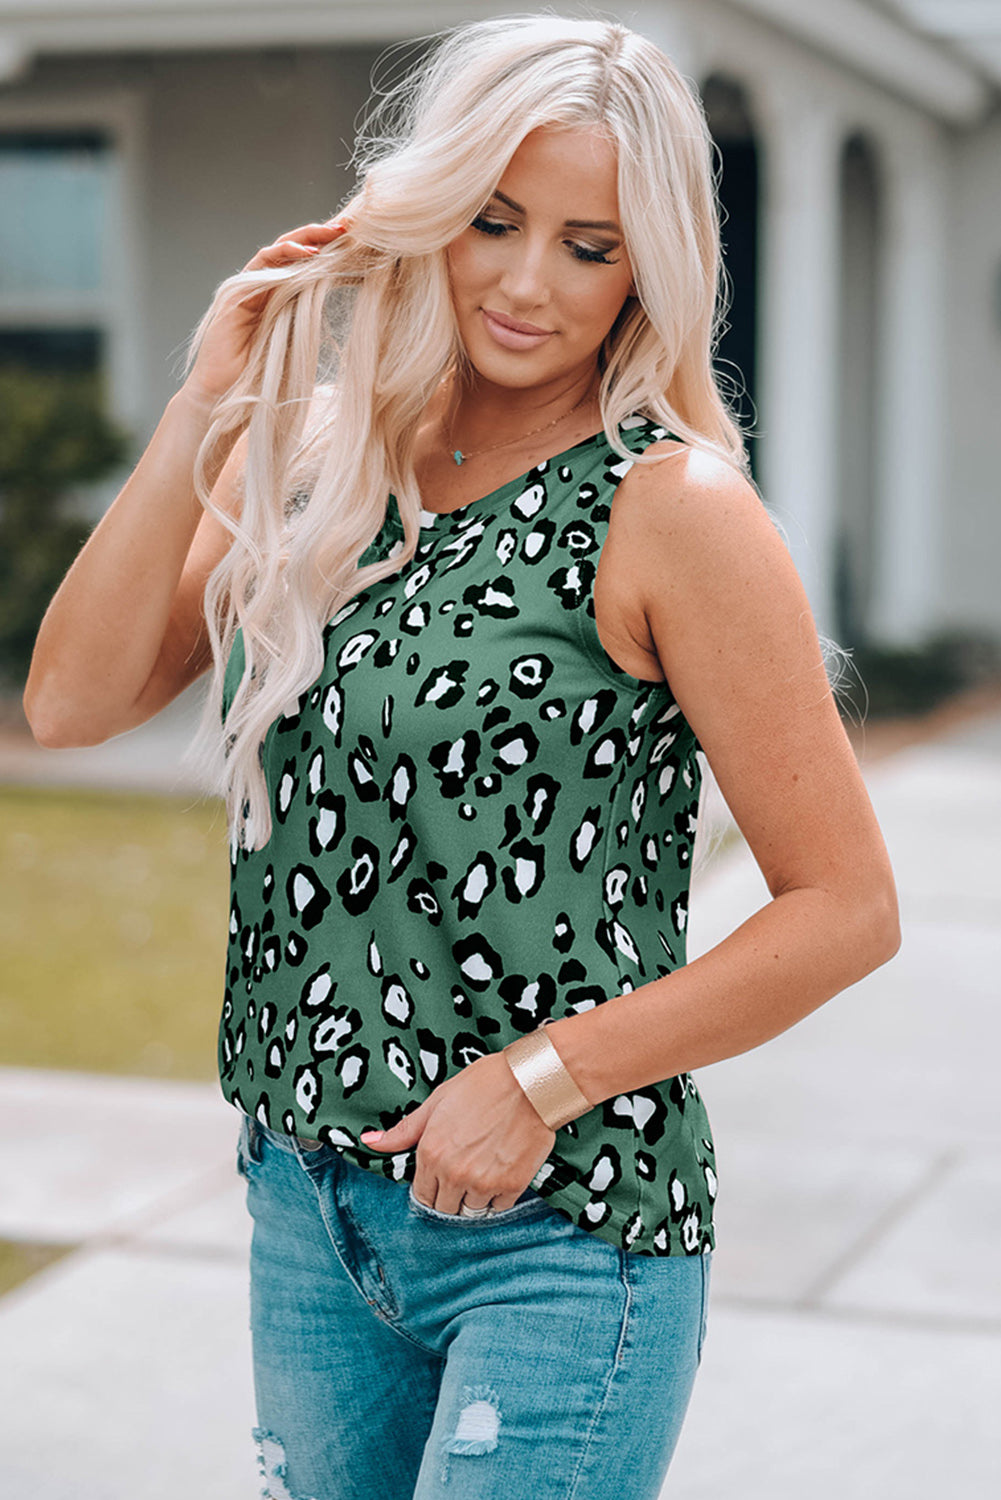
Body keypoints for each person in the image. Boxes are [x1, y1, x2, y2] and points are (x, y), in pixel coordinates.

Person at [23, 13, 900, 1499]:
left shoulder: (670, 510)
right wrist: (204, 404)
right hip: (308, 1211)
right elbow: (72, 701)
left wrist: (541, 1079)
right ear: (422, 210)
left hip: (560, 1238)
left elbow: (845, 909)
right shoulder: (312, 457)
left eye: (588, 244)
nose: (523, 281)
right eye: (492, 219)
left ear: (649, 268)